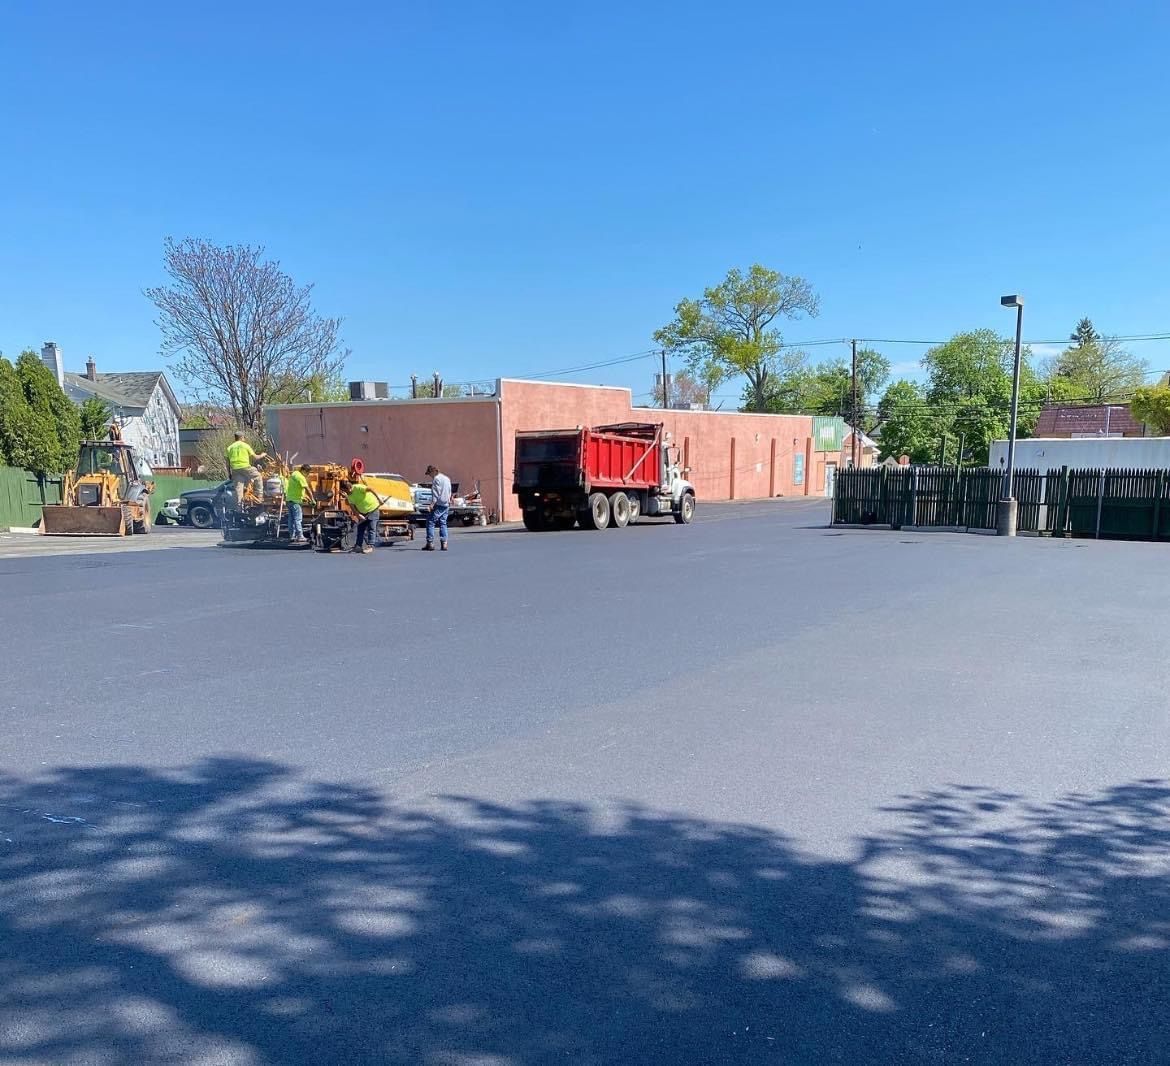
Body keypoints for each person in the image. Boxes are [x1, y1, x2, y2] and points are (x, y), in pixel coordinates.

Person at [341, 479, 381, 554]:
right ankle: (358, 546)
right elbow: (353, 509)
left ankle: (370, 546)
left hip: (373, 509)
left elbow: (371, 489)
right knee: (360, 529)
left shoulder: (358, 487)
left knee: (371, 528)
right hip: (362, 512)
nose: (347, 493)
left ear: (349, 488)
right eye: (346, 492)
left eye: (348, 491)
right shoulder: (349, 496)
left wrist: (379, 499)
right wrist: (359, 516)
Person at [226, 432, 267, 505]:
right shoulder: (245, 446)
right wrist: (262, 455)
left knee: (239, 489)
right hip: (245, 467)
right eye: (244, 438)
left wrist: (229, 473)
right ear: (241, 437)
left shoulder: (229, 448)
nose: (244, 439)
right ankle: (259, 495)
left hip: (235, 469)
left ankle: (240, 507)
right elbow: (255, 457)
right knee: (258, 476)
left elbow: (227, 463)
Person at [423, 464, 452, 551]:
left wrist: (431, 505)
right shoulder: (447, 478)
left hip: (439, 504)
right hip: (446, 504)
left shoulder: (436, 479)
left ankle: (430, 543)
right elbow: (450, 491)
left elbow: (436, 493)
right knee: (443, 523)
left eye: (429, 474)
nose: (430, 476)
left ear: (433, 472)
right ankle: (444, 543)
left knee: (430, 521)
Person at [285, 464, 312, 542]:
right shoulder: (301, 477)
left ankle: (292, 536)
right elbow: (308, 489)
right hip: (296, 502)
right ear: (304, 471)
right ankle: (300, 536)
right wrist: (312, 499)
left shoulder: (294, 473)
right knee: (298, 519)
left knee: (291, 519)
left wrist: (305, 497)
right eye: (307, 473)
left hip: (289, 500)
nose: (308, 475)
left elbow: (296, 488)